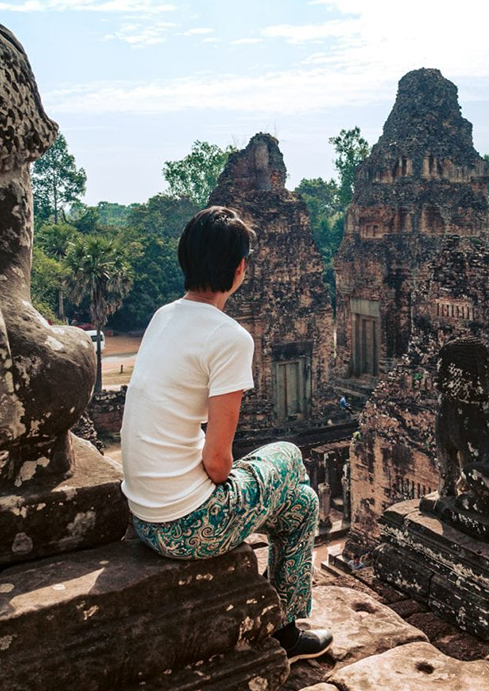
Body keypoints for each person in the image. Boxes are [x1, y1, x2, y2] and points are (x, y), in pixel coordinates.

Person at [120, 206, 333, 664]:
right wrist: (246, 485)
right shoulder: (230, 337)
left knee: (301, 505)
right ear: (239, 269)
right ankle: (287, 629)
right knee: (290, 456)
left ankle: (287, 630)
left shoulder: (162, 317)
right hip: (185, 526)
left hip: (141, 514)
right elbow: (218, 463)